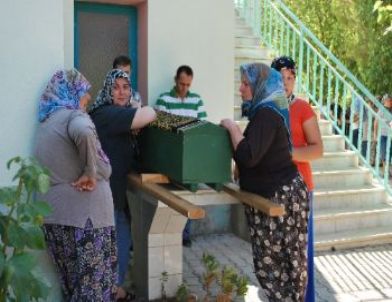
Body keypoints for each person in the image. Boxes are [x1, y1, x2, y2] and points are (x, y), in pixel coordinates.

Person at [221, 63, 309, 301]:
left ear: (260, 86)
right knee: (275, 269)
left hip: (283, 199)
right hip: (274, 197)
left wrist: (231, 127)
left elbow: (249, 155)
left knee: (283, 270)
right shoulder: (263, 113)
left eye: (245, 84)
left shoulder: (267, 114)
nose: (240, 89)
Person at [34, 69, 117, 301]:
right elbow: (83, 131)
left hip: (56, 220)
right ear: (71, 92)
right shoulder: (73, 116)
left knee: (75, 292)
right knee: (93, 294)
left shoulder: (47, 123)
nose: (88, 98)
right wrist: (91, 171)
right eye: (84, 92)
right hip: (86, 221)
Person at [89, 69, 156, 301]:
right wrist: (140, 108)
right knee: (118, 245)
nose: (121, 92)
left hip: (112, 196)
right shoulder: (106, 113)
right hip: (105, 199)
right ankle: (114, 292)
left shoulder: (117, 116)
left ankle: (114, 291)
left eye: (125, 87)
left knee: (116, 245)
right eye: (116, 87)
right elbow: (149, 115)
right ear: (107, 89)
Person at [271, 56, 323, 302]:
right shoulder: (266, 108)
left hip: (300, 189)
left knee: (300, 255)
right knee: (278, 253)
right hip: (273, 190)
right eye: (281, 78)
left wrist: (288, 154)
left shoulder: (301, 108)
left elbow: (317, 150)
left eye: (290, 78)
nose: (286, 83)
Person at [155, 65, 207, 247]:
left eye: (188, 85)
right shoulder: (164, 99)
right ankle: (167, 232)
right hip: (170, 156)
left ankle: (185, 234)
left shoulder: (197, 100)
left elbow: (202, 127)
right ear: (175, 80)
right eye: (181, 83)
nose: (184, 88)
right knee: (170, 195)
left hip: (190, 156)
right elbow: (160, 127)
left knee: (188, 195)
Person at [374, 94, 392, 176]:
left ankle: (388, 171)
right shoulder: (381, 110)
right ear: (385, 101)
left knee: (389, 154)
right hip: (382, 135)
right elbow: (376, 123)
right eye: (389, 100)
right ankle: (385, 171)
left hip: (390, 135)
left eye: (390, 100)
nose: (390, 101)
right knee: (383, 153)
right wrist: (375, 135)